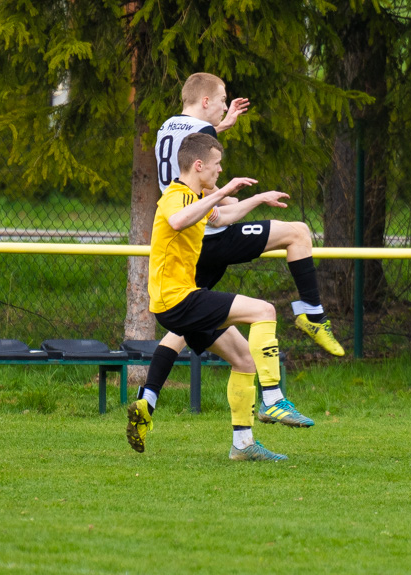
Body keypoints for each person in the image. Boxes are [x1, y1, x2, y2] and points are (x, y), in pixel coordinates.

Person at [127, 72, 342, 452]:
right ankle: (279, 387)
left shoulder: (169, 131)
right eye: (222, 98)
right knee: (272, 290)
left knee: (241, 357)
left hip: (182, 282)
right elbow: (189, 208)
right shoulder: (182, 195)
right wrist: (223, 188)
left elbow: (220, 212)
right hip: (186, 276)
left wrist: (254, 198)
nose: (226, 105)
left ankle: (174, 412)